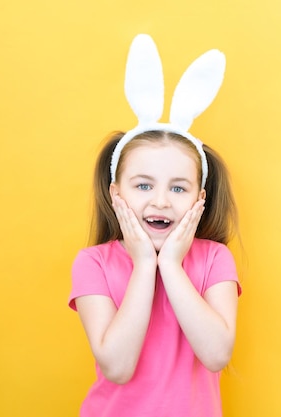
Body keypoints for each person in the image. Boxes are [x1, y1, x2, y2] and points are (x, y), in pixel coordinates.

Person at [68, 34, 241, 417]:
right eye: (143, 185)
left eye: (178, 188)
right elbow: (118, 366)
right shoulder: (92, 263)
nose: (161, 201)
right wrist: (145, 264)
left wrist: (171, 266)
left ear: (200, 199)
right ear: (115, 194)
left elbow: (215, 354)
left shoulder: (215, 259)